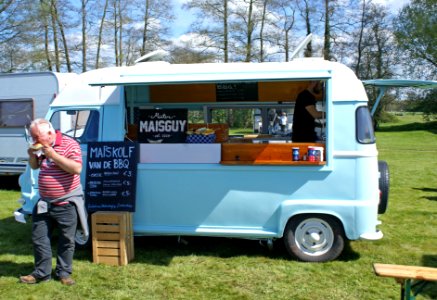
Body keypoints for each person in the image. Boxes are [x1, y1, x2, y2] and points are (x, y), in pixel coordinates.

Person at [19, 118, 85, 286]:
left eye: (37, 137)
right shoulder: (41, 146)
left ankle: (64, 273)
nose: (35, 141)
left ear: (50, 133)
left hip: (66, 203)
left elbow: (76, 168)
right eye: (33, 137)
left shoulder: (70, 144)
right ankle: (41, 273)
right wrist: (31, 156)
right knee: (39, 238)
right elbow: (35, 167)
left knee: (66, 240)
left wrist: (53, 155)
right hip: (44, 202)